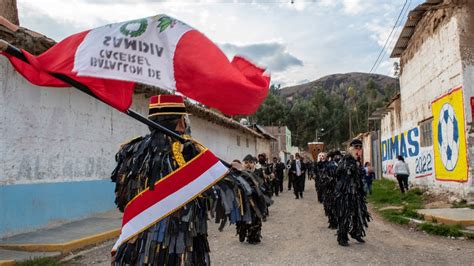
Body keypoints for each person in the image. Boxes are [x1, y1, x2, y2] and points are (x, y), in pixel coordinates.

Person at [110, 95, 268, 265]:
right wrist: (242, 175)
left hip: (136, 240)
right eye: (185, 119)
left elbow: (121, 201)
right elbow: (225, 198)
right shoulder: (189, 152)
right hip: (180, 247)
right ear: (181, 122)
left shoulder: (130, 150)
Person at [334, 139, 371, 246]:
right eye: (356, 147)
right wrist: (364, 170)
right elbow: (342, 172)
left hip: (356, 193)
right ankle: (342, 237)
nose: (358, 150)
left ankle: (356, 233)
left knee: (359, 214)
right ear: (350, 149)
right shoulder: (346, 160)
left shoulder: (357, 161)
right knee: (345, 215)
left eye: (360, 147)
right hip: (345, 194)